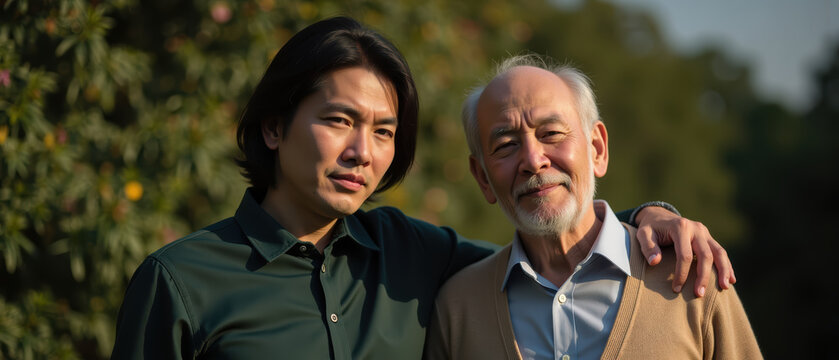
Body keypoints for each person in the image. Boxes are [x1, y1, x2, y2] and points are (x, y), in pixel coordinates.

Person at [111, 18, 736, 359]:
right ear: (274, 126)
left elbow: (555, 244)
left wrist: (650, 219)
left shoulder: (413, 255)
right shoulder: (180, 284)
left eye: (384, 131)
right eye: (339, 121)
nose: (364, 151)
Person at [423, 55, 760, 360]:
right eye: (506, 145)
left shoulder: (692, 274)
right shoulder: (457, 310)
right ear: (482, 178)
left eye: (552, 133)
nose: (533, 160)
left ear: (597, 148)